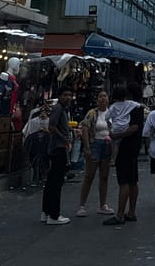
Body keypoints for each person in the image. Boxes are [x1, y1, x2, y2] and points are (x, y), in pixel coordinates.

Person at [103, 83, 144, 227]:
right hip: (134, 146)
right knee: (132, 180)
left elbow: (133, 128)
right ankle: (131, 212)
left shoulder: (121, 108)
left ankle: (120, 214)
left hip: (125, 146)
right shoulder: (137, 108)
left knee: (124, 181)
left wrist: (116, 135)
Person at [76, 90, 115, 216]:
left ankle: (103, 205)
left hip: (107, 145)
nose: (103, 99)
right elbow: (85, 128)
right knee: (89, 176)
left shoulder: (111, 113)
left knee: (104, 176)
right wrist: (87, 147)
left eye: (105, 96)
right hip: (95, 145)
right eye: (100, 96)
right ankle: (82, 206)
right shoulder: (92, 113)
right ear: (97, 99)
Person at [41, 87, 73, 225]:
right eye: (65, 95)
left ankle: (46, 212)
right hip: (58, 148)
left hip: (58, 147)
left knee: (52, 181)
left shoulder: (61, 109)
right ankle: (54, 215)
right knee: (56, 182)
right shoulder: (58, 108)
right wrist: (64, 138)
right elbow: (52, 126)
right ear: (59, 96)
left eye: (70, 95)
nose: (68, 97)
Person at [105, 84, 140, 164]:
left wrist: (109, 128)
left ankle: (113, 159)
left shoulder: (113, 106)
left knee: (115, 144)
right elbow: (139, 105)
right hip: (126, 126)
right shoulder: (130, 103)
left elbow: (107, 117)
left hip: (116, 127)